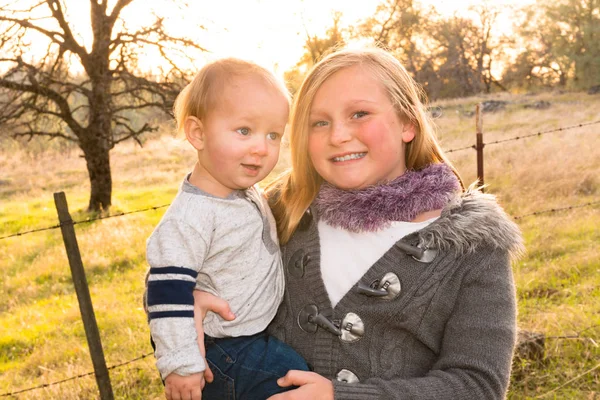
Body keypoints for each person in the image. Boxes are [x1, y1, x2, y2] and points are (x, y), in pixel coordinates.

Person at [194, 46, 524, 400]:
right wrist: (188, 297)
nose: (338, 136)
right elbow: (179, 262)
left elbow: (478, 386)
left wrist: (341, 397)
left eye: (359, 114)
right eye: (319, 122)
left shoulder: (472, 245)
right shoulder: (278, 208)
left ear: (408, 123)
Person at [145, 58, 308, 400]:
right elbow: (165, 295)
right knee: (293, 379)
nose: (261, 148)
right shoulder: (191, 216)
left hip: (248, 335)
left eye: (273, 135)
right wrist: (181, 363)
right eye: (244, 131)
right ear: (198, 133)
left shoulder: (243, 192)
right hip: (223, 349)